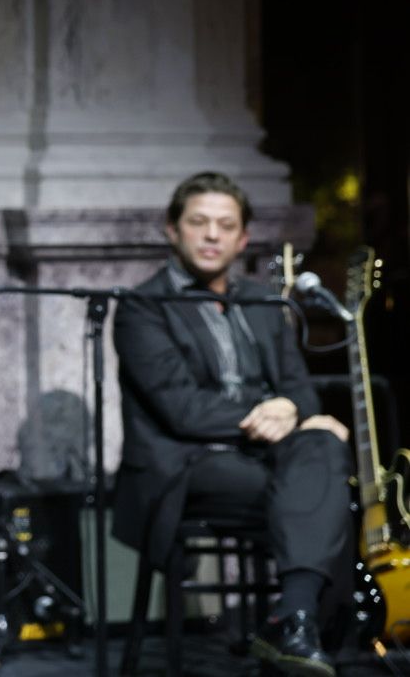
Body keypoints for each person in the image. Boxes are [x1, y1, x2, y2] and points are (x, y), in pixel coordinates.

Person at [113, 172, 352, 676]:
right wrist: (267, 413)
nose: (211, 235)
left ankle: (293, 621)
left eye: (225, 225)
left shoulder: (264, 302)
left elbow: (301, 393)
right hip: (186, 464)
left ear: (243, 239)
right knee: (314, 490)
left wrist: (292, 411)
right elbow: (181, 409)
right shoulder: (143, 306)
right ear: (172, 230)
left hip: (264, 456)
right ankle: (306, 629)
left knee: (324, 448)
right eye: (198, 222)